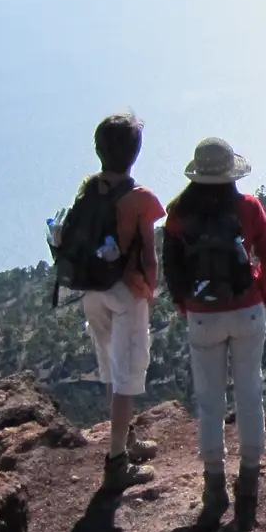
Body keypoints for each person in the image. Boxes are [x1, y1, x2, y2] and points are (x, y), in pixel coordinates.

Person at [162, 137, 266, 532]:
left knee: (210, 402)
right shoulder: (247, 207)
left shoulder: (178, 214)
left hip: (203, 317)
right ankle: (249, 484)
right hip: (246, 310)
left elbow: (173, 273)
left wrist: (190, 307)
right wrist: (259, 293)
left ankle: (214, 488)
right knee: (250, 394)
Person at [63, 114, 166, 493]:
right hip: (126, 293)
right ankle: (117, 461)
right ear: (135, 154)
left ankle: (127, 438)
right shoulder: (141, 199)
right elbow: (150, 256)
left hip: (91, 292)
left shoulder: (88, 189)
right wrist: (148, 293)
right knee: (127, 377)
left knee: (110, 370)